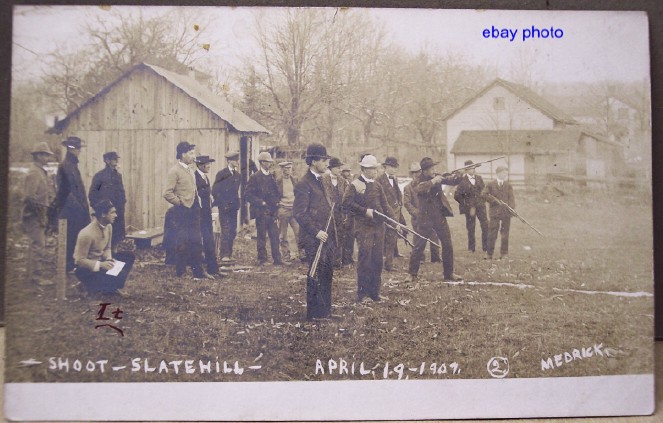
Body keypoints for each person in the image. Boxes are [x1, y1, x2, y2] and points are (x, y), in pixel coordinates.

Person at [342, 154, 395, 302]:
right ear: (364, 169)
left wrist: (393, 221)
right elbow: (346, 203)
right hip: (363, 228)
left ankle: (374, 293)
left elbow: (385, 205)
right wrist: (365, 211)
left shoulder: (377, 185)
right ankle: (362, 294)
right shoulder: (355, 185)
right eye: (373, 169)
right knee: (365, 260)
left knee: (377, 260)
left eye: (376, 168)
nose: (376, 171)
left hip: (379, 228)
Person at [293, 143, 336, 320]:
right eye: (324, 160)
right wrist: (316, 231)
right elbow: (299, 213)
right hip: (314, 238)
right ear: (313, 161)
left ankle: (325, 311)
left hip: (327, 236)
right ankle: (314, 313)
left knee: (327, 272)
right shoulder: (304, 184)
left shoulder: (323, 180)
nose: (327, 163)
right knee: (315, 274)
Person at [405, 157, 463, 283]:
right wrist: (433, 181)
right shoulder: (418, 180)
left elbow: (452, 181)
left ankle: (449, 273)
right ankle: (412, 273)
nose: (434, 170)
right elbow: (419, 189)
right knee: (419, 246)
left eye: (434, 168)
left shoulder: (437, 176)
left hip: (439, 216)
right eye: (432, 169)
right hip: (425, 217)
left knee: (447, 244)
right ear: (424, 171)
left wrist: (459, 175)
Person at [163, 141, 213, 280]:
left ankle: (199, 272)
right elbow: (167, 193)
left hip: (194, 210)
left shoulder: (190, 170)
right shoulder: (174, 171)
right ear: (183, 154)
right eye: (191, 153)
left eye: (193, 153)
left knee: (196, 241)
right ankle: (181, 272)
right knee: (182, 241)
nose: (193, 156)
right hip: (183, 211)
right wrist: (180, 203)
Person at [73, 199, 135, 297]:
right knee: (114, 276)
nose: (116, 215)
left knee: (128, 256)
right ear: (103, 214)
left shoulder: (109, 226)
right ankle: (88, 286)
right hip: (87, 270)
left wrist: (109, 259)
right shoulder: (86, 234)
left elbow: (107, 247)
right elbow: (79, 260)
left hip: (102, 263)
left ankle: (111, 288)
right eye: (112, 213)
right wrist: (101, 265)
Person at [54, 136, 91, 272]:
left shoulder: (74, 166)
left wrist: (83, 207)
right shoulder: (64, 167)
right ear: (70, 149)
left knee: (77, 236)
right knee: (69, 237)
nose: (79, 151)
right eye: (76, 148)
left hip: (79, 209)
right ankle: (67, 265)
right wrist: (77, 208)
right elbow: (64, 191)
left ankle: (73, 263)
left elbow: (79, 190)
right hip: (70, 210)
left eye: (79, 148)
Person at [23, 141, 57, 285]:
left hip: (40, 213)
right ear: (37, 156)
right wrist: (40, 214)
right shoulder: (34, 172)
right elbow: (30, 197)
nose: (46, 158)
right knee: (38, 245)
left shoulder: (41, 171)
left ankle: (32, 276)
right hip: (34, 214)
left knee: (38, 244)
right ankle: (35, 278)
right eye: (43, 155)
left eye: (47, 155)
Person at [245, 151, 283, 266]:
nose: (269, 164)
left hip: (272, 212)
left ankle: (277, 260)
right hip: (261, 212)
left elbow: (276, 192)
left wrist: (276, 203)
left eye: (270, 162)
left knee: (274, 236)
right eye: (267, 162)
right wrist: (260, 202)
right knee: (261, 236)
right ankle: (262, 259)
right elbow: (248, 195)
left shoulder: (271, 176)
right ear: (261, 162)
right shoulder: (254, 177)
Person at [89, 151, 126, 252]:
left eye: (116, 159)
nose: (116, 161)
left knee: (116, 236)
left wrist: (122, 206)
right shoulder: (100, 176)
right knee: (104, 235)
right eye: (113, 159)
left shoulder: (118, 176)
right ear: (107, 160)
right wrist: (100, 210)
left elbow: (122, 193)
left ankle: (114, 254)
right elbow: (92, 195)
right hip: (105, 213)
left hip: (117, 211)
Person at [403, 162, 440, 263]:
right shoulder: (408, 187)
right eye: (414, 173)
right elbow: (407, 203)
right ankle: (420, 258)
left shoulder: (426, 184)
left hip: (430, 215)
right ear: (411, 174)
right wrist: (416, 213)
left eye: (418, 172)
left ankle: (436, 258)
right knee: (419, 238)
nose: (416, 174)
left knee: (434, 235)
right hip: (417, 217)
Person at [212, 151, 242, 265]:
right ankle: (224, 255)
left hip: (233, 207)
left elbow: (235, 192)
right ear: (229, 161)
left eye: (237, 160)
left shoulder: (238, 175)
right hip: (224, 207)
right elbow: (215, 190)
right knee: (226, 229)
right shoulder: (221, 174)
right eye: (235, 160)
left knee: (233, 230)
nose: (237, 162)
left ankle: (229, 254)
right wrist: (222, 202)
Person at [376, 156, 405, 271]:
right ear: (386, 167)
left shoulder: (395, 179)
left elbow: (397, 195)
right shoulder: (379, 180)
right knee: (381, 239)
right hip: (384, 214)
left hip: (395, 214)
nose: (394, 169)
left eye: (395, 167)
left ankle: (389, 264)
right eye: (392, 167)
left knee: (392, 239)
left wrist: (399, 204)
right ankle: (378, 264)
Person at [454, 160, 489, 254]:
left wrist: (483, 200)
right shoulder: (462, 181)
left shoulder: (479, 178)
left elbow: (484, 191)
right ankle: (471, 248)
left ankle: (486, 247)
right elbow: (456, 195)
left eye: (474, 168)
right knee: (471, 227)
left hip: (481, 206)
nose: (473, 170)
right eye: (470, 168)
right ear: (466, 170)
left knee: (485, 225)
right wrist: (465, 203)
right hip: (470, 208)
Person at [482, 165, 516, 260]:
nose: (505, 174)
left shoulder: (508, 185)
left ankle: (504, 254)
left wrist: (511, 207)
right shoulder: (490, 184)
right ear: (498, 173)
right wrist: (494, 201)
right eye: (503, 173)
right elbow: (484, 194)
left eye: (506, 173)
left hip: (506, 213)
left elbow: (512, 198)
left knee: (505, 234)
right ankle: (489, 253)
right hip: (495, 212)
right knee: (492, 233)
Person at [323, 157, 351, 268]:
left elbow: (346, 197)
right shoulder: (323, 179)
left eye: (340, 168)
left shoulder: (343, 181)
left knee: (339, 235)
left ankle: (337, 261)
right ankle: (326, 260)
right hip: (327, 213)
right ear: (331, 168)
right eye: (338, 168)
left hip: (339, 212)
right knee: (328, 235)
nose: (340, 170)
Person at [195, 155, 220, 275]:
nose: (209, 166)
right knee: (200, 241)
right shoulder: (195, 177)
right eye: (207, 164)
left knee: (209, 239)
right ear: (200, 165)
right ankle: (201, 270)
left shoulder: (205, 177)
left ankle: (213, 269)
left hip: (207, 213)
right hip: (199, 214)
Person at [275, 161, 303, 262]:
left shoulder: (295, 179)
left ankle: (302, 254)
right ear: (282, 169)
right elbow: (275, 196)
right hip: (283, 210)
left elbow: (299, 193)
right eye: (286, 169)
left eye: (289, 168)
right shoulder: (278, 181)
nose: (288, 171)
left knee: (299, 232)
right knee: (283, 234)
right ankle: (286, 256)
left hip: (294, 210)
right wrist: (278, 206)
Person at [339, 164, 355, 264]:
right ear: (342, 172)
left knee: (350, 236)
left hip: (350, 212)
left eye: (349, 171)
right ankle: (344, 258)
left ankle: (349, 257)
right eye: (346, 171)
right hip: (344, 212)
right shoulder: (341, 182)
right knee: (344, 236)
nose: (348, 173)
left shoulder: (349, 181)